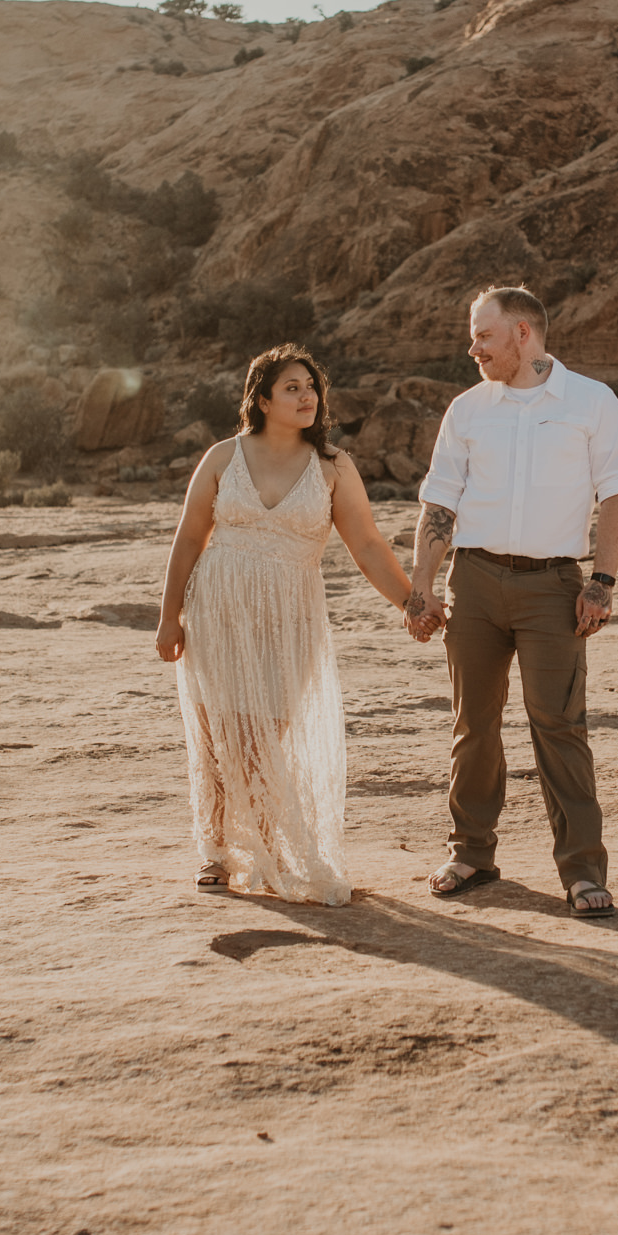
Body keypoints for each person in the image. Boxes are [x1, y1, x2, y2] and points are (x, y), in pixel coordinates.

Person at [156, 344, 419, 906]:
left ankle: (267, 847)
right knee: (217, 733)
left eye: (311, 387)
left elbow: (368, 545)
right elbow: (188, 538)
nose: (307, 397)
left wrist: (410, 602)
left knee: (262, 736)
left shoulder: (332, 467)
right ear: (263, 398)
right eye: (293, 388)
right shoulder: (223, 457)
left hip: (288, 618)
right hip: (218, 611)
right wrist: (168, 616)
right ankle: (218, 852)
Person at [404, 286, 618, 919]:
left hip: (553, 587)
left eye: (484, 335)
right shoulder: (468, 410)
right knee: (472, 725)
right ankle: (471, 852)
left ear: (524, 334)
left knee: (559, 727)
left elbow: (617, 493)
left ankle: (583, 872)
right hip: (473, 584)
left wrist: (602, 581)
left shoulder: (592, 402)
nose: (472, 346)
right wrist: (420, 589)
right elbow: (440, 503)